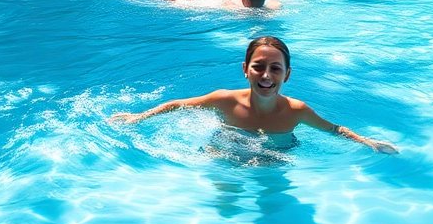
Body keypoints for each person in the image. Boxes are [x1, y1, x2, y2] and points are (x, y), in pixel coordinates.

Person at [109, 36, 398, 154]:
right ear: (245, 70)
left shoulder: (296, 110)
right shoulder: (225, 100)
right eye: (258, 67)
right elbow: (177, 105)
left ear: (287, 74)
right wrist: (139, 117)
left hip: (275, 157)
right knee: (225, 207)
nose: (266, 76)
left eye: (275, 69)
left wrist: (367, 142)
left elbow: (333, 129)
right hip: (224, 153)